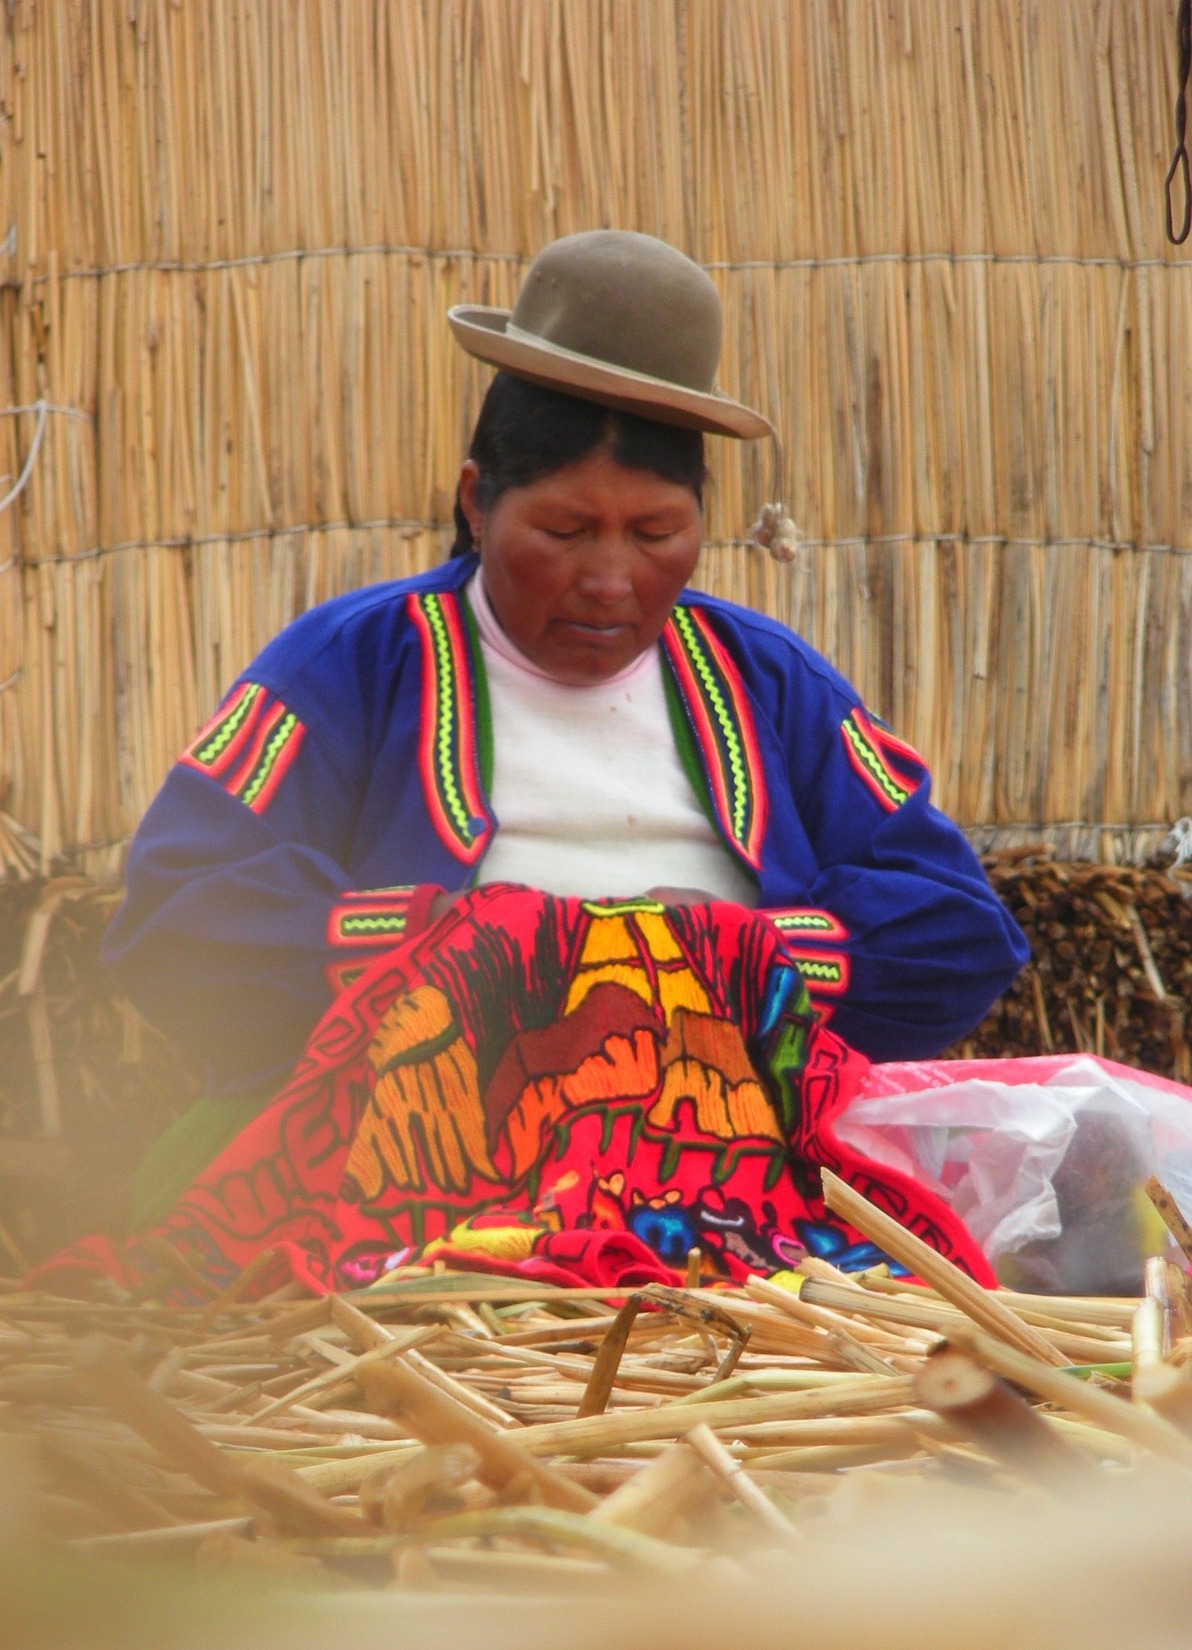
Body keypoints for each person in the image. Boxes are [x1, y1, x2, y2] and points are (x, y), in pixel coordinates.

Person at [107, 230, 1027, 1139]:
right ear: (476, 501)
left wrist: (728, 958)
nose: (611, 580)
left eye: (658, 534)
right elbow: (176, 917)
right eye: (562, 530)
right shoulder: (349, 664)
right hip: (410, 1151)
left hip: (729, 1155)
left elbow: (958, 932)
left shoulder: (771, 681)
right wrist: (466, 952)